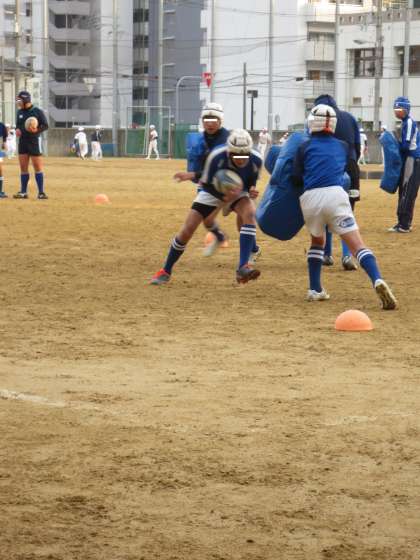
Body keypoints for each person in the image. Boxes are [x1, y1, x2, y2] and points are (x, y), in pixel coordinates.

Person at [292, 104, 396, 310]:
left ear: (312, 122)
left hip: (310, 199)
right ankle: (377, 279)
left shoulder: (303, 147)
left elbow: (295, 178)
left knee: (317, 241)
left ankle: (315, 289)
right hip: (335, 195)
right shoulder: (342, 146)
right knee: (357, 245)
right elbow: (351, 169)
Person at [150, 129, 263, 285]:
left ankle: (243, 268)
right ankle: (165, 270)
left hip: (238, 191)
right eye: (236, 155)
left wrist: (251, 189)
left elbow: (251, 178)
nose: (241, 159)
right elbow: (205, 182)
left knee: (249, 214)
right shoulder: (217, 156)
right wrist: (224, 196)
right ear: (229, 151)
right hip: (212, 190)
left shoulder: (256, 159)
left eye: (244, 155)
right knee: (188, 229)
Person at [174, 103, 230, 257]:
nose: (209, 123)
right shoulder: (201, 140)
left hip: (230, 186)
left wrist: (191, 175)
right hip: (208, 184)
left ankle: (253, 250)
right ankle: (220, 237)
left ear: (220, 121)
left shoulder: (226, 141)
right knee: (207, 219)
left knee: (244, 216)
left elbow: (218, 169)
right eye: (206, 119)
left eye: (214, 119)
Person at [313, 94, 361, 271]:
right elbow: (357, 146)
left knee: (326, 210)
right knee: (347, 213)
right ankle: (347, 255)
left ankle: (326, 254)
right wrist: (352, 162)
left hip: (328, 169)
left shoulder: (317, 118)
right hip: (351, 168)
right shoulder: (350, 118)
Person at [387, 96, 420, 233]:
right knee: (406, 190)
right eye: (395, 109)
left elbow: (405, 146)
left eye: (398, 109)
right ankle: (404, 222)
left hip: (412, 159)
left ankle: (404, 224)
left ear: (405, 110)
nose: (396, 111)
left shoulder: (409, 123)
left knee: (407, 190)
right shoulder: (405, 122)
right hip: (411, 160)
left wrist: (394, 145)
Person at [13, 90, 49, 200]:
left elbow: (45, 125)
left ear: (25, 100)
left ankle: (41, 192)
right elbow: (18, 126)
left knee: (37, 167)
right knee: (23, 168)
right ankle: (23, 192)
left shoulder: (37, 111)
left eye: (19, 100)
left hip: (33, 141)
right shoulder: (19, 112)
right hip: (22, 142)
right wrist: (17, 130)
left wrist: (37, 130)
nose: (18, 102)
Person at [0, 120, 8, 198]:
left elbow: (4, 138)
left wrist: (4, 144)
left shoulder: (1, 126)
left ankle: (0, 191)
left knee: (0, 170)